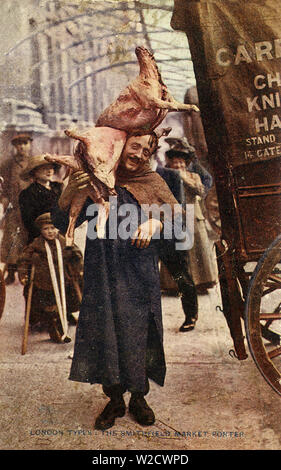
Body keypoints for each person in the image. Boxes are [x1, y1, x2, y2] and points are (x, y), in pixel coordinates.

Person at [51, 131, 187, 431]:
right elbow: (62, 222)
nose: (138, 154)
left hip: (140, 273)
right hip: (102, 272)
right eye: (134, 146)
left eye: (145, 149)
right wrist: (67, 190)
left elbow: (180, 226)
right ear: (120, 146)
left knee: (142, 331)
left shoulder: (154, 182)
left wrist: (156, 222)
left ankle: (139, 397)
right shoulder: (99, 178)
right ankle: (114, 399)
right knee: (106, 333)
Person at [17, 213, 83, 341]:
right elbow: (24, 258)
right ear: (41, 231)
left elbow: (76, 254)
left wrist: (77, 269)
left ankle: (60, 325)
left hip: (62, 280)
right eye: (46, 229)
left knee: (67, 301)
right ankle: (54, 326)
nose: (50, 232)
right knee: (48, 306)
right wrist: (23, 273)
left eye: (53, 228)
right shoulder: (37, 244)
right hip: (44, 281)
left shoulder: (63, 241)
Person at [165, 137, 217, 295]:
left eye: (181, 162)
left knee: (197, 250)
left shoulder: (193, 176)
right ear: (170, 163)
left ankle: (201, 283)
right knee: (178, 249)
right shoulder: (167, 177)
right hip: (175, 217)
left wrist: (185, 178)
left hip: (194, 217)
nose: (179, 165)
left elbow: (200, 191)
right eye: (176, 162)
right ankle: (177, 285)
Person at [156, 160, 198, 332]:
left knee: (181, 276)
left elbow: (177, 207)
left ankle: (191, 315)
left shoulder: (170, 175)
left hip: (169, 234)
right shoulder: (131, 176)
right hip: (141, 236)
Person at [0, 134, 33, 284]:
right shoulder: (7, 164)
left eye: (25, 143)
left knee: (28, 238)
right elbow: (4, 184)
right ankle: (11, 272)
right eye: (18, 144)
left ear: (29, 145)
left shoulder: (34, 162)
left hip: (30, 207)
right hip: (14, 207)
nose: (21, 147)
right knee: (12, 238)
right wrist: (4, 199)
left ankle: (27, 272)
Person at [19, 155, 63, 243]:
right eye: (44, 168)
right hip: (40, 238)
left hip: (60, 234)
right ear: (35, 172)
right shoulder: (28, 193)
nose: (49, 171)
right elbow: (29, 222)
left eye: (51, 167)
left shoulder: (58, 188)